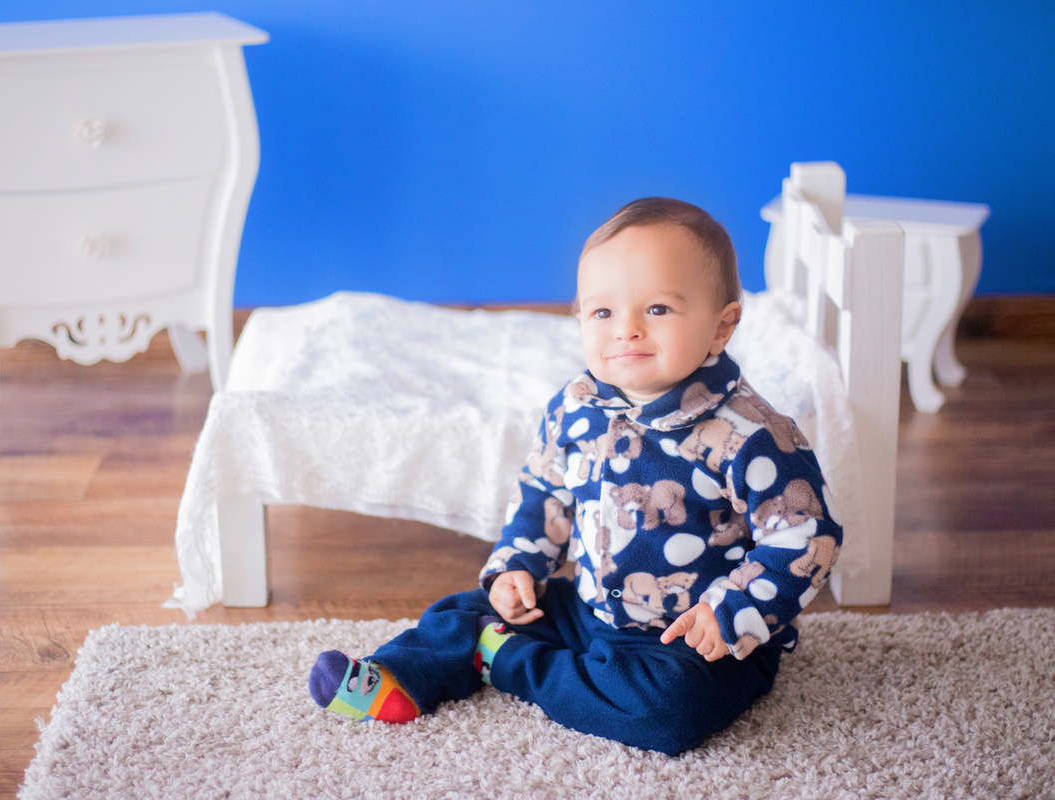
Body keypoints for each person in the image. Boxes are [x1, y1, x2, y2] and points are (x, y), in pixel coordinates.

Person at [307, 197, 843, 755]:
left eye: (657, 309)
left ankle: (508, 661)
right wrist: (518, 567)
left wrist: (731, 612)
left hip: (694, 636)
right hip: (589, 609)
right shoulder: (577, 405)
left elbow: (806, 538)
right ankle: (400, 679)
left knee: (668, 712)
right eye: (603, 313)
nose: (626, 331)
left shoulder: (752, 434)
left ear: (721, 326)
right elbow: (545, 496)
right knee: (466, 608)